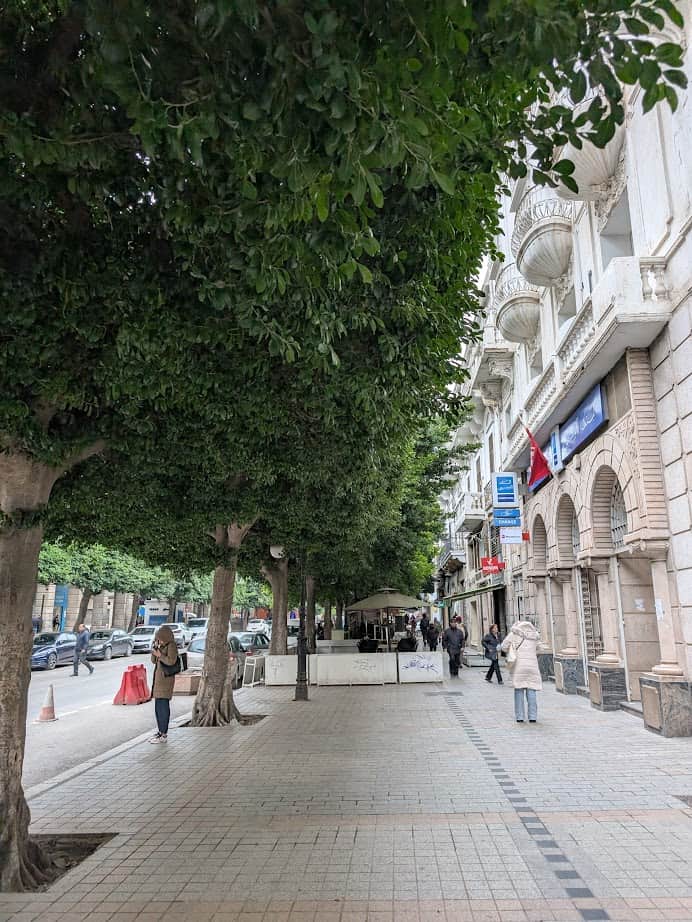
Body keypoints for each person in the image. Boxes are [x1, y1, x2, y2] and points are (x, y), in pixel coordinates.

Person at [501, 620, 542, 723]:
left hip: (519, 666)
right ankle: (533, 717)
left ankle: (520, 716)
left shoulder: (514, 633)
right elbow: (540, 648)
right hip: (532, 666)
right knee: (531, 689)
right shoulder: (534, 635)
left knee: (519, 690)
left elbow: (503, 647)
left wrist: (512, 649)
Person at [149, 625, 179, 744]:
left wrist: (160, 655)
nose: (159, 640)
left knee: (163, 707)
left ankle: (164, 733)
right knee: (158, 707)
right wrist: (155, 650)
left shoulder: (171, 646)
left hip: (166, 680)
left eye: (160, 638)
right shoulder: (161, 646)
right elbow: (153, 661)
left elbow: (171, 661)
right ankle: (160, 731)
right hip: (158, 680)